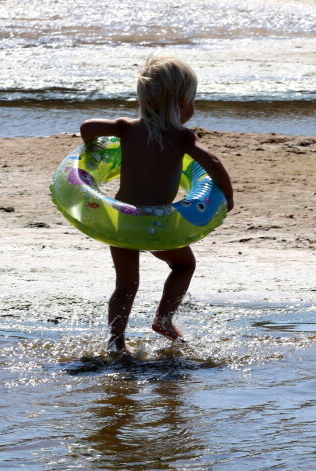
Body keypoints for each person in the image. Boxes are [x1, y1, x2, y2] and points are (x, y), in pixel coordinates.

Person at [79, 54, 234, 352]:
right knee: (184, 265)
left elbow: (87, 126)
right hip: (156, 223)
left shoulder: (125, 127)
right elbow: (213, 163)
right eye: (193, 100)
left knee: (125, 285)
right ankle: (163, 319)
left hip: (122, 219)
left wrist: (92, 146)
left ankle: (116, 342)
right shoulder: (181, 137)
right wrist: (227, 196)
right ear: (180, 104)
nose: (194, 106)